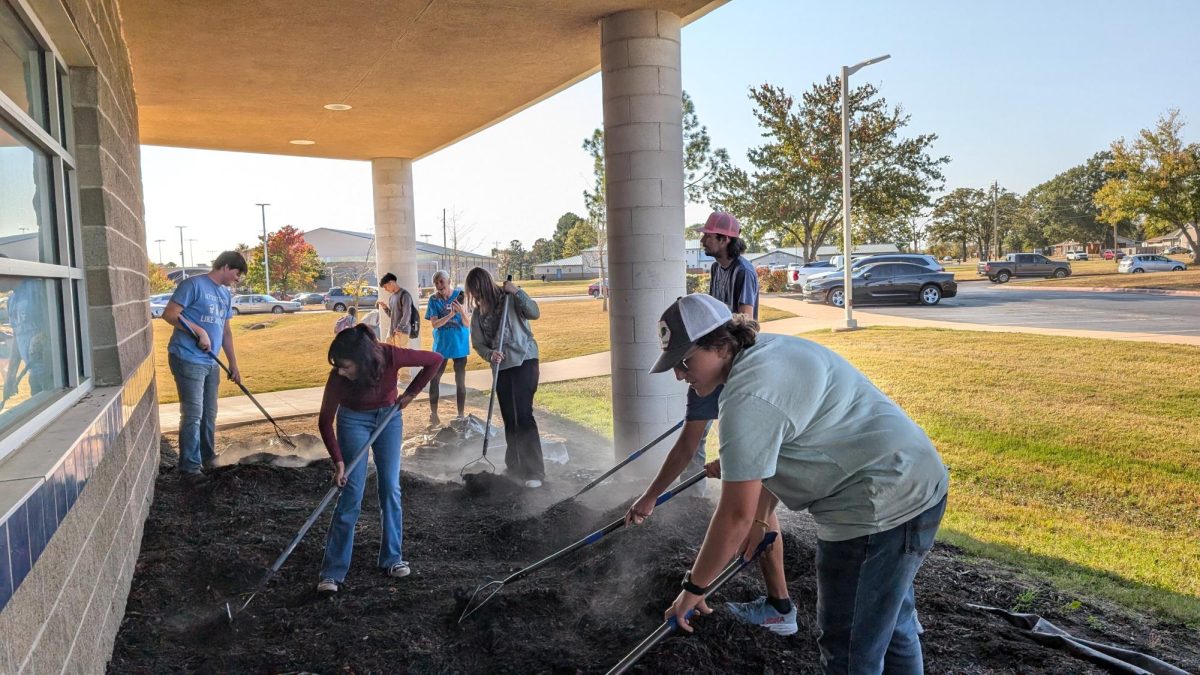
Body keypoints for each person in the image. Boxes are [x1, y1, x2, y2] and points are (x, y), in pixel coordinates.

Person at [643, 294, 949, 674]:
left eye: (686, 361)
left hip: (876, 509)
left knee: (850, 650)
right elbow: (784, 446)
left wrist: (694, 589)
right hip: (918, 481)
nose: (679, 374)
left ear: (721, 345)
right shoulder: (768, 350)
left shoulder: (747, 395)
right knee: (894, 624)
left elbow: (734, 514)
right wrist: (761, 515)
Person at [315, 324, 444, 594]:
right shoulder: (338, 378)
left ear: (362, 361)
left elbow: (434, 360)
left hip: (388, 418)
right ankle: (333, 571)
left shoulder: (390, 356)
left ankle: (393, 558)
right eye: (338, 366)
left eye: (346, 366)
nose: (340, 371)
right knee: (351, 492)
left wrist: (410, 394)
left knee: (390, 487)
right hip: (352, 421)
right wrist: (338, 461)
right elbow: (325, 421)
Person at [162, 251, 247, 481]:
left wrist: (233, 364)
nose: (237, 279)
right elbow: (169, 314)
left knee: (209, 413)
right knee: (193, 414)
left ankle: (207, 459)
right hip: (188, 358)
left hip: (211, 362)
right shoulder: (194, 285)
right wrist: (198, 331)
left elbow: (226, 331)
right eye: (237, 273)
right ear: (226, 266)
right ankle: (189, 468)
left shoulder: (225, 294)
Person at [465, 267, 544, 488]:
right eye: (474, 293)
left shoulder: (510, 297)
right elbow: (478, 343)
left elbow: (534, 312)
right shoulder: (478, 313)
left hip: (524, 360)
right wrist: (490, 354)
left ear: (486, 285)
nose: (478, 296)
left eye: (479, 290)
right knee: (510, 417)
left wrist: (517, 291)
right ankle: (515, 466)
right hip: (501, 367)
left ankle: (534, 472)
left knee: (523, 416)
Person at [424, 270, 470, 427]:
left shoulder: (461, 295)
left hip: (459, 344)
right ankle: (434, 414)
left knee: (460, 380)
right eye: (436, 282)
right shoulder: (433, 300)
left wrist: (461, 311)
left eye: (441, 281)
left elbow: (467, 323)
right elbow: (435, 324)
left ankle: (461, 414)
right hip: (441, 346)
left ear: (449, 281)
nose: (438, 285)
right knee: (434, 379)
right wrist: (451, 314)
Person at [378, 272, 414, 346]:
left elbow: (407, 314)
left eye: (385, 287)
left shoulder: (405, 295)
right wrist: (385, 308)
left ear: (391, 282)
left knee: (402, 357)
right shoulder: (391, 297)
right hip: (392, 332)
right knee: (388, 354)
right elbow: (393, 316)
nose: (385, 289)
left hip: (402, 332)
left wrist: (399, 328)